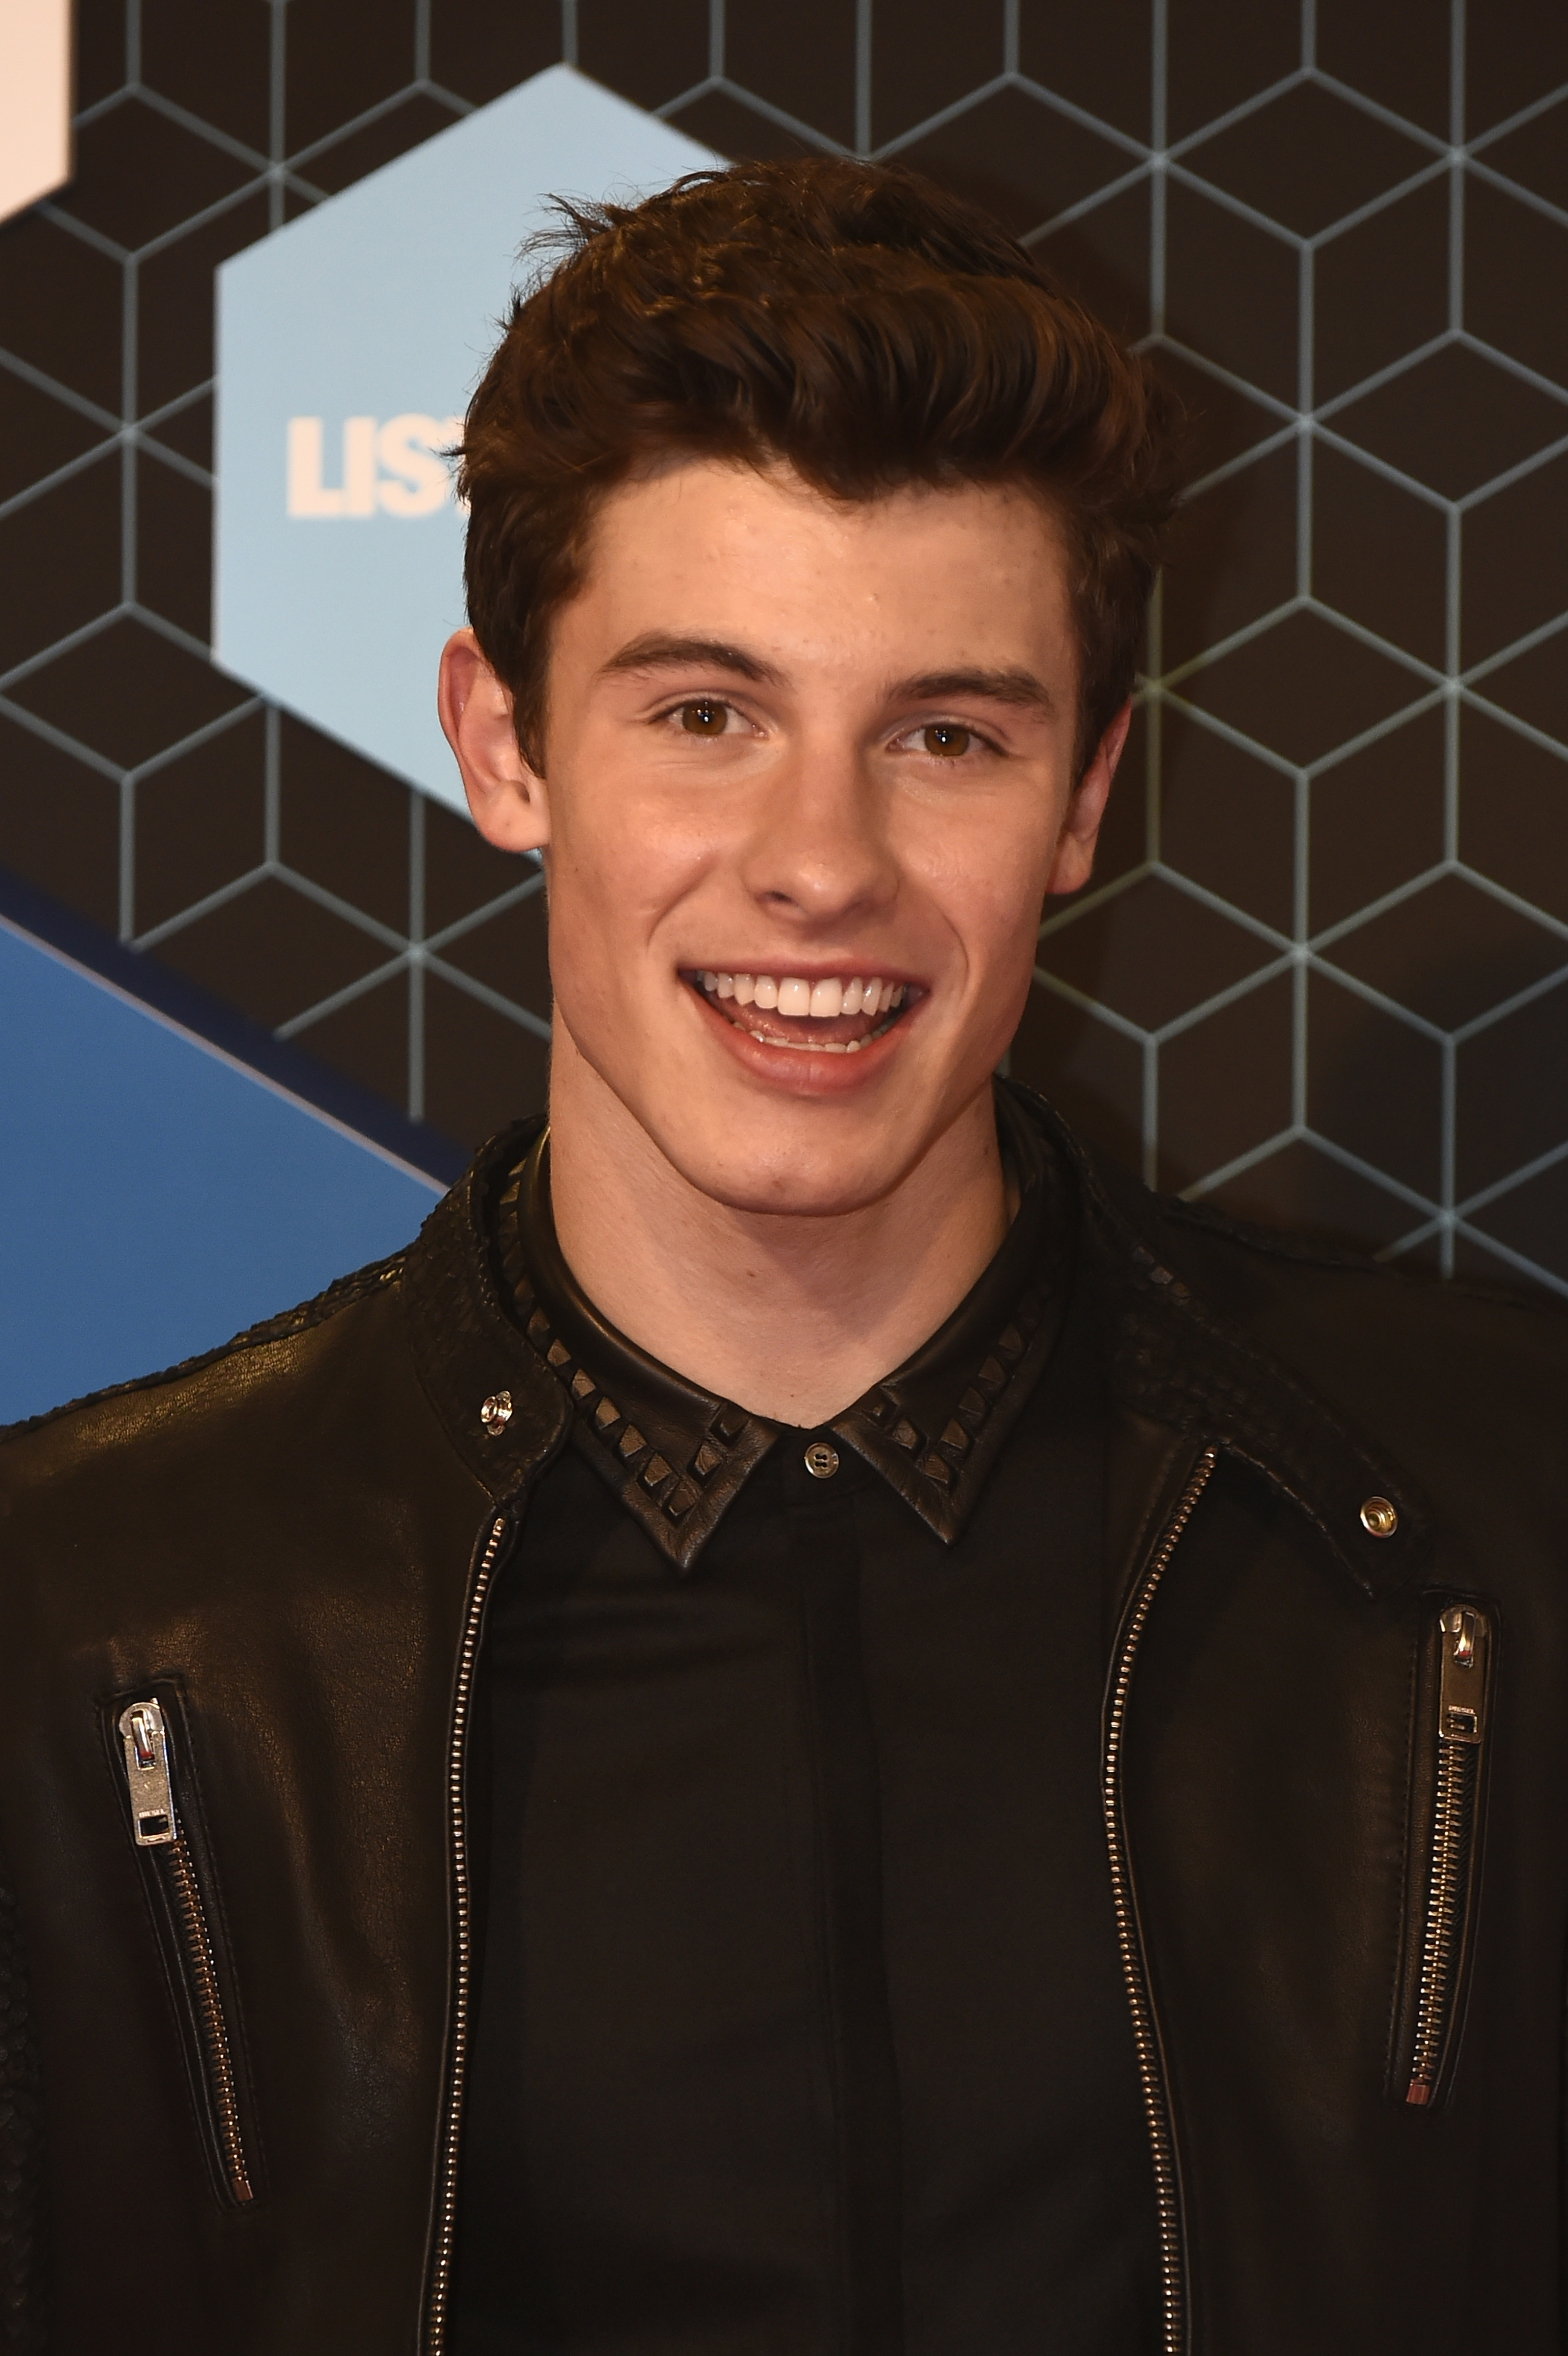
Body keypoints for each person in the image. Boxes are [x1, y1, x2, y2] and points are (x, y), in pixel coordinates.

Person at [1, 158, 1565, 2356]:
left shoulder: (1502, 1527)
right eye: (704, 714)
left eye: (944, 734)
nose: (820, 864)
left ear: (1087, 797)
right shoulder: (85, 1620)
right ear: (499, 741)